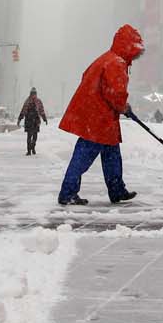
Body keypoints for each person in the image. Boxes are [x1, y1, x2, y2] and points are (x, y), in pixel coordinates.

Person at [57, 24, 145, 206]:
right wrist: (123, 107)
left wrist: (119, 106)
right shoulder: (116, 63)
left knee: (112, 154)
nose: (135, 57)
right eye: (135, 52)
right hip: (98, 120)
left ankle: (117, 190)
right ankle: (67, 193)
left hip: (100, 117)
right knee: (82, 158)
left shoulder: (107, 59)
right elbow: (115, 92)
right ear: (128, 47)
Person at [17, 88, 47, 156]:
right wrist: (44, 119)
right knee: (32, 136)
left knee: (32, 136)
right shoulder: (33, 101)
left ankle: (31, 148)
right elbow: (41, 111)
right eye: (33, 93)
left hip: (32, 121)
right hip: (32, 121)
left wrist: (44, 118)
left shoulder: (31, 101)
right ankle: (30, 149)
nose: (33, 95)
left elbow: (24, 110)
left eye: (34, 93)